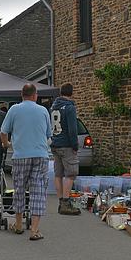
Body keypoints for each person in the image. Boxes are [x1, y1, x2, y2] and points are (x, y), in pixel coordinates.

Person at [0, 83, 52, 241]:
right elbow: (49, 134)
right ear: (35, 95)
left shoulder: (14, 109)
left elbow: (3, 132)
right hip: (40, 155)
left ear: (21, 95)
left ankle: (18, 224)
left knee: (19, 189)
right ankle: (34, 230)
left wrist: (6, 144)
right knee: (38, 192)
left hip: (21, 155)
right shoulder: (43, 111)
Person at [50, 83, 81, 216]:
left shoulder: (53, 107)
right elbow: (73, 129)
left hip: (55, 143)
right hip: (66, 144)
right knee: (71, 173)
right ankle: (66, 202)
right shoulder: (69, 107)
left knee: (58, 174)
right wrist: (75, 145)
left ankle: (60, 200)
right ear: (71, 93)